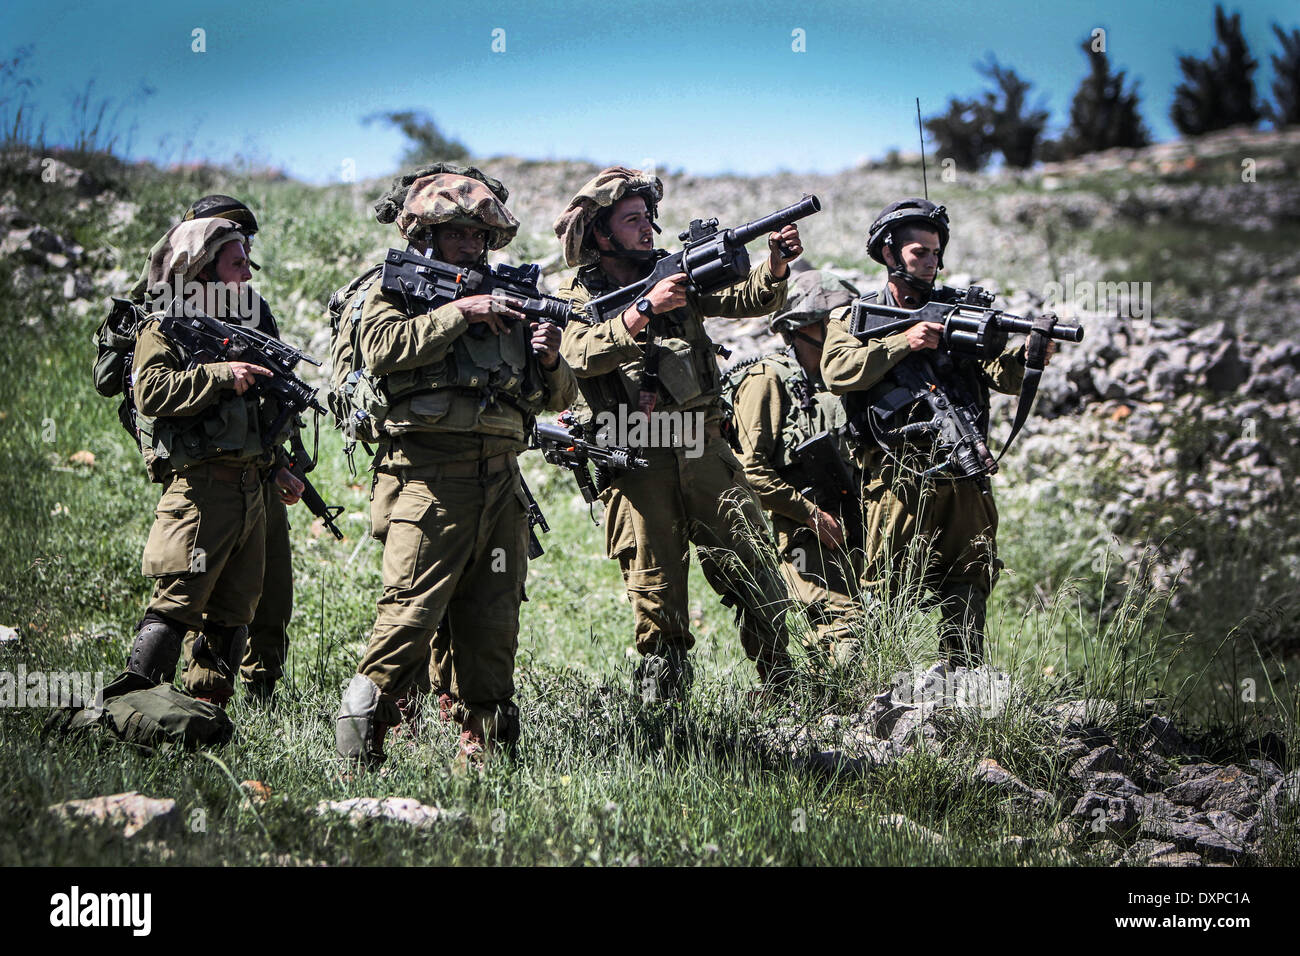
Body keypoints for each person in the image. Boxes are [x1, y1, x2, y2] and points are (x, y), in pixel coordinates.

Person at [333, 164, 576, 766]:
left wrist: (548, 359)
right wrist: (461, 314)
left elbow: (560, 398)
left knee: (493, 626)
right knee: (407, 621)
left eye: (478, 233)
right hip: (427, 482)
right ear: (428, 235)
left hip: (501, 484)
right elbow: (380, 350)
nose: (470, 242)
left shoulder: (514, 298)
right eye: (456, 232)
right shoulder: (399, 289)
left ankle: (487, 759)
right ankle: (355, 758)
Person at [552, 166, 801, 701]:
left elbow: (745, 299)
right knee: (657, 593)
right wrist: (644, 310)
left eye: (649, 217)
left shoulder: (674, 274)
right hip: (636, 456)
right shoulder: (574, 293)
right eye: (632, 220)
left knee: (754, 566)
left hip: (701, 443)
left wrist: (775, 267)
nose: (648, 229)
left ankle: (785, 691)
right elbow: (577, 356)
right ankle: (666, 714)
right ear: (600, 233)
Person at [821, 199, 1054, 667]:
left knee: (968, 579)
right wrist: (902, 343)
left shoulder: (961, 312)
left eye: (936, 253)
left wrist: (1031, 356)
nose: (931, 263)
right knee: (888, 587)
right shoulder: (854, 317)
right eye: (919, 253)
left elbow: (1001, 376)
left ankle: (962, 682)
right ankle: (876, 687)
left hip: (963, 479)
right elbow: (837, 371)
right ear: (889, 255)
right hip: (897, 482)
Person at [105, 217, 302, 707]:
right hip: (198, 489)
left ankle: (202, 712)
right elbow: (150, 391)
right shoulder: (164, 324)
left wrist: (276, 465)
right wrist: (220, 374)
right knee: (177, 603)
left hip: (248, 491)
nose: (247, 277)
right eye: (237, 265)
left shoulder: (237, 328)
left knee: (235, 611)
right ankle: (133, 710)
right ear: (203, 268)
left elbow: (253, 419)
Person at [729, 268, 864, 669]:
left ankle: (826, 703)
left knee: (869, 621)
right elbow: (750, 468)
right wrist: (811, 516)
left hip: (852, 522)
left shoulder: (843, 380)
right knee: (844, 627)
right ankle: (839, 714)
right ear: (801, 329)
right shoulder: (767, 380)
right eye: (833, 325)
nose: (845, 334)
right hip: (801, 530)